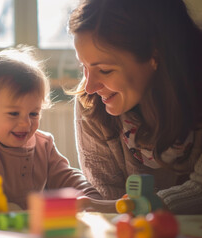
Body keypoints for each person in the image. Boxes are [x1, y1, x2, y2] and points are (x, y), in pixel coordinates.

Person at [67, 0, 202, 214]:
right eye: (84, 66)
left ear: (154, 55)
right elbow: (110, 197)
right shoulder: (91, 104)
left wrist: (140, 208)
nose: (90, 86)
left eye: (105, 70)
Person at [0, 46, 100, 210]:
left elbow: (67, 177)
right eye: (14, 113)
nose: (25, 124)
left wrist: (92, 197)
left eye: (33, 114)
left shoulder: (44, 145)